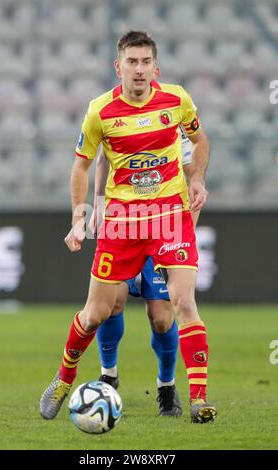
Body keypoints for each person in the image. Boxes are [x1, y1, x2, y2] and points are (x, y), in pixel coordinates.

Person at [40, 30, 217, 424]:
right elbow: (82, 164)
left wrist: (198, 180)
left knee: (181, 304)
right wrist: (79, 218)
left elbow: (200, 140)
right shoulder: (100, 111)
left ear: (157, 66)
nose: (139, 69)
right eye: (132, 62)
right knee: (95, 313)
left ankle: (198, 399)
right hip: (122, 222)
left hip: (170, 215)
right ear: (117, 66)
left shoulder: (177, 100)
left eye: (145, 62)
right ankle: (65, 378)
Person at [93, 128, 196, 418]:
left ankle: (166, 385)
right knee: (110, 303)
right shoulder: (119, 116)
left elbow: (192, 182)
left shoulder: (176, 127)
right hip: (124, 225)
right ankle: (109, 375)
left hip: (162, 230)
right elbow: (103, 157)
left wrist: (183, 235)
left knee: (162, 319)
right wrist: (98, 203)